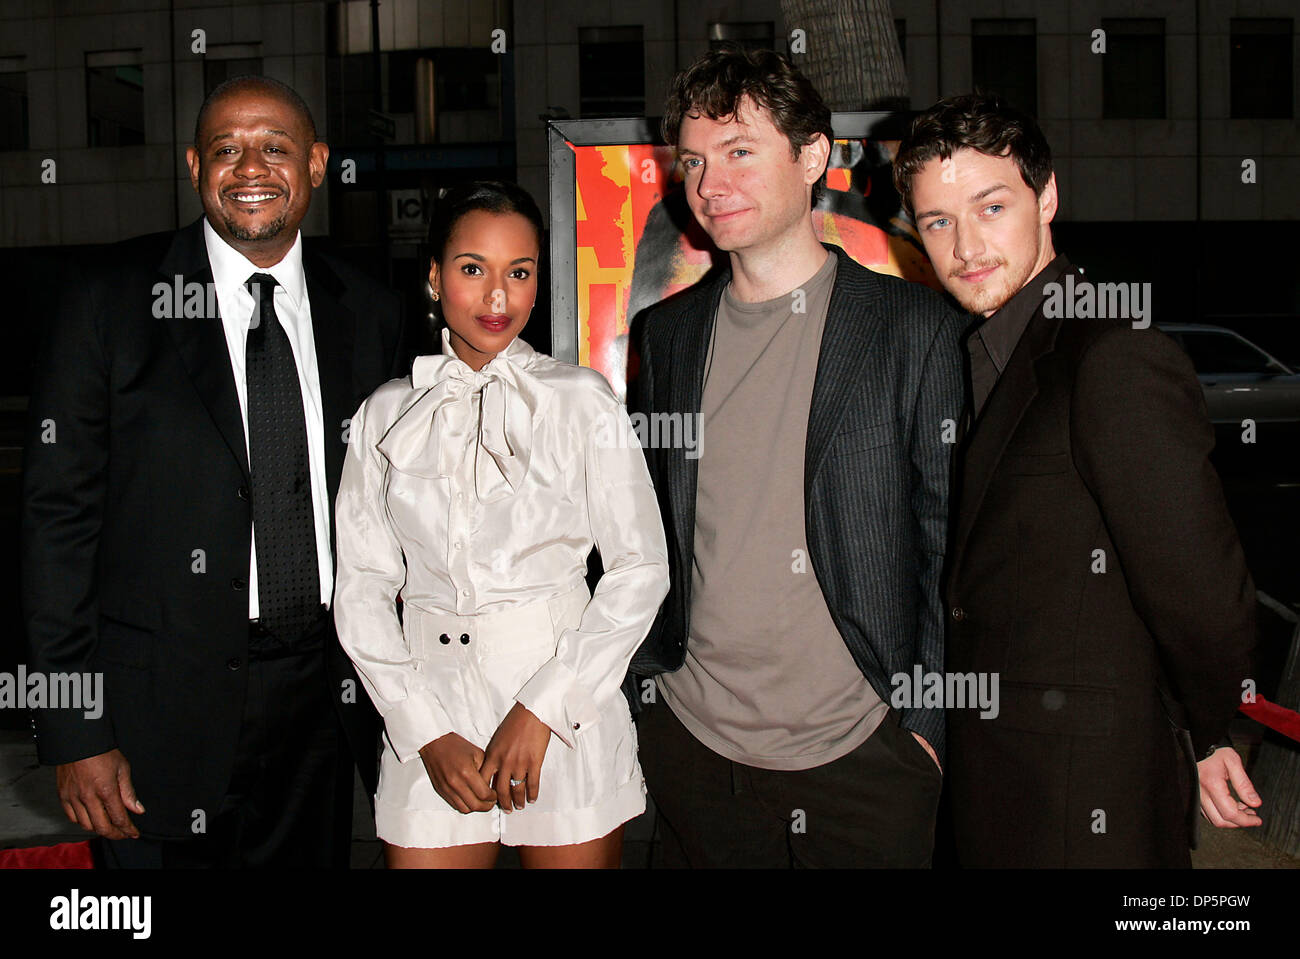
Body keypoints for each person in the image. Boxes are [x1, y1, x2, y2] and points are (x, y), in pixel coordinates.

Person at [22, 75, 408, 868]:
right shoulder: (110, 299)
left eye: (275, 146)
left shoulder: (369, 309)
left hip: (322, 707)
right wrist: (74, 727)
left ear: (317, 165)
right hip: (150, 719)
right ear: (197, 165)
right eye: (226, 149)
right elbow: (55, 523)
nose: (250, 167)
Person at [894, 93, 1261, 867]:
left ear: (1047, 195)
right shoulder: (989, 349)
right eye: (937, 221)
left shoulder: (1109, 352)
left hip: (1088, 797)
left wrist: (1209, 729)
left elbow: (1201, 588)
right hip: (1009, 783)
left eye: (991, 207)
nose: (966, 245)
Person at [625, 47, 967, 868]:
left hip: (866, 760)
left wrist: (924, 729)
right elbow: (643, 529)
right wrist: (648, 699)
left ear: (813, 156)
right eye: (696, 162)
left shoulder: (914, 328)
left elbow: (950, 543)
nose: (710, 185)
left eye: (741, 151)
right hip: (694, 748)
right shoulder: (666, 337)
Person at [333, 180, 669, 869]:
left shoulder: (582, 402)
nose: (497, 297)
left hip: (563, 703)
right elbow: (362, 587)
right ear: (433, 276)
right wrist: (422, 728)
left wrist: (546, 706)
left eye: (519, 273)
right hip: (429, 704)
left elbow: (641, 569)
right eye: (472, 269)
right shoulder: (383, 413)